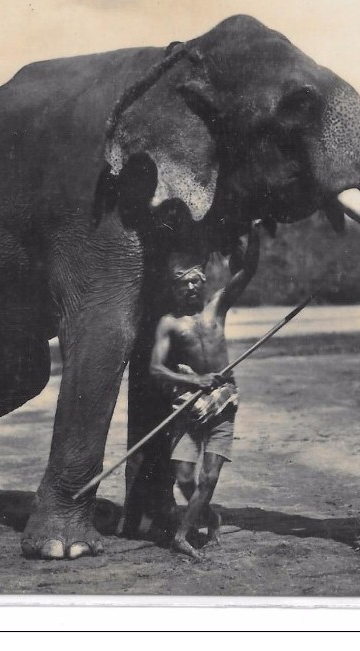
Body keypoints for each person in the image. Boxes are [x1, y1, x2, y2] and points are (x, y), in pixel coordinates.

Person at [148, 224, 259, 559]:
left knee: (207, 479)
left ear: (204, 281)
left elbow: (248, 270)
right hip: (188, 406)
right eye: (185, 283)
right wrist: (194, 381)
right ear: (174, 288)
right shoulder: (169, 323)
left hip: (223, 404)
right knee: (183, 478)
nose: (192, 287)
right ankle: (210, 516)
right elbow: (155, 369)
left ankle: (182, 536)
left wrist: (251, 231)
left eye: (197, 280)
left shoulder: (217, 307)